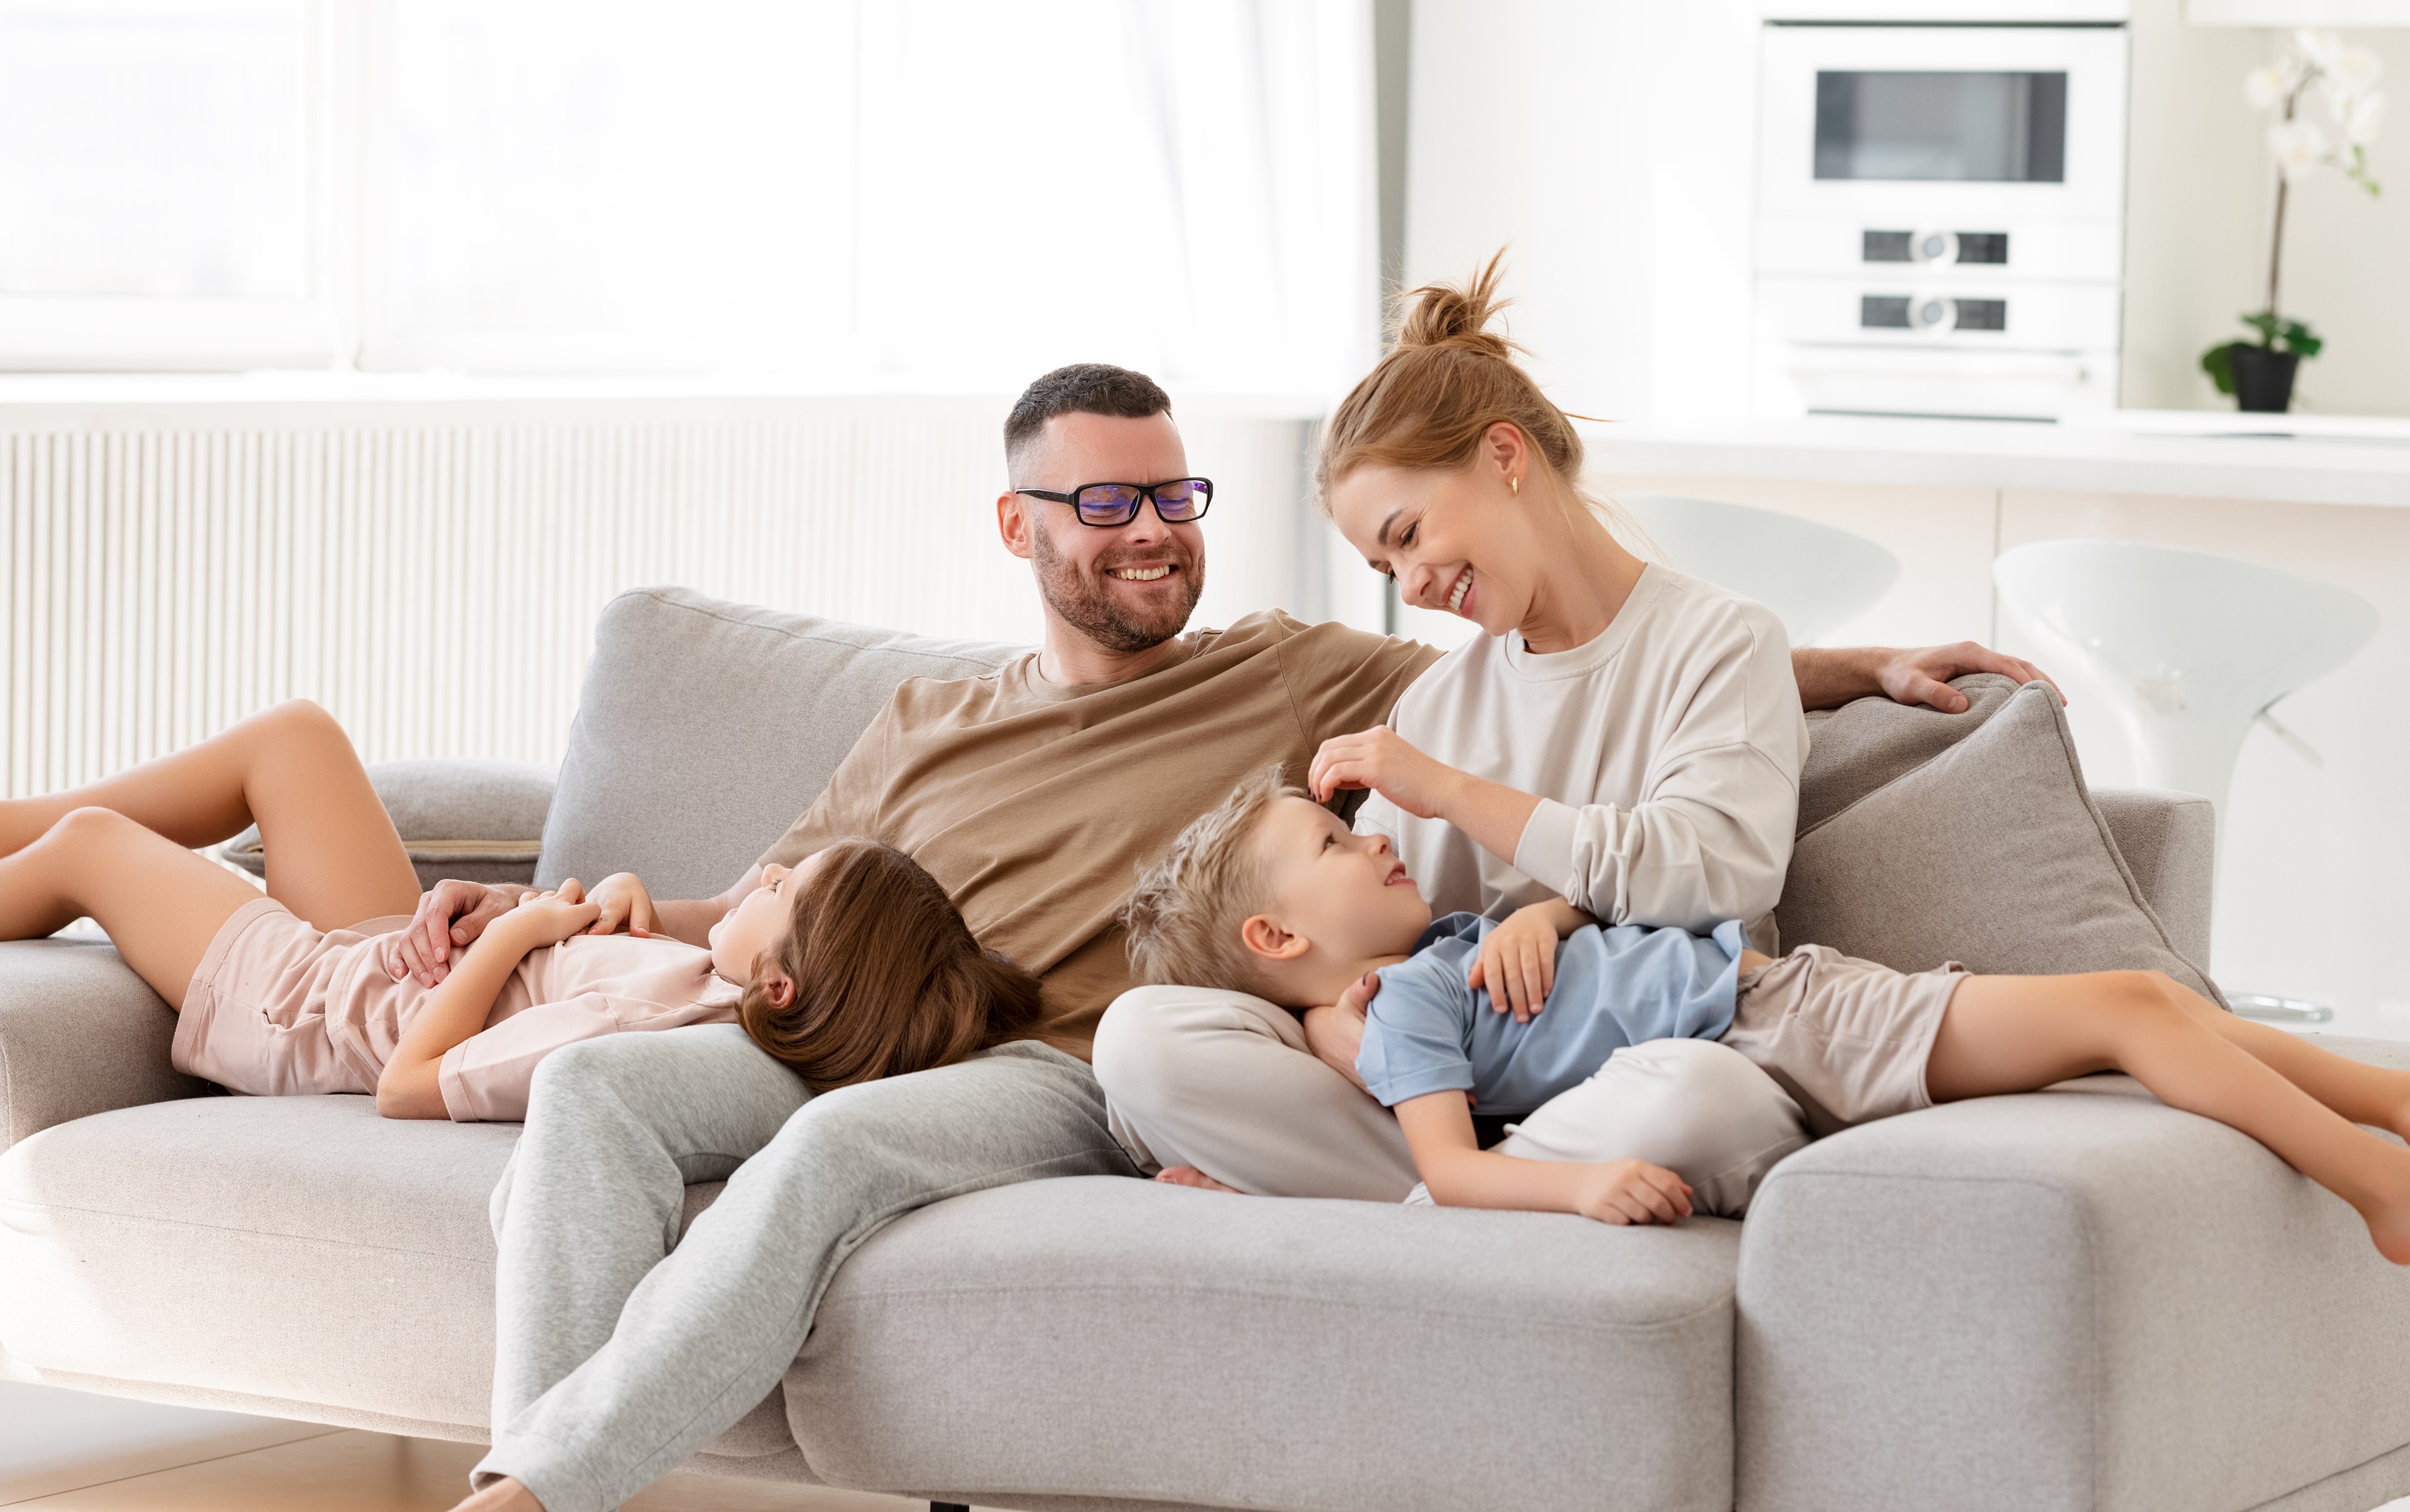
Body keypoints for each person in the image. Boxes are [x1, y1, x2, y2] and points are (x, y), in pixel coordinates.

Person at [416, 362, 2052, 1512]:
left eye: (1177, 494)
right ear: (1020, 527)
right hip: (823, 1015)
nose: (1157, 530)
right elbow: (763, 893)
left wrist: (1856, 667)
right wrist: (593, 904)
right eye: (1111, 498)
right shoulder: (920, 718)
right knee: (595, 1099)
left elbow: (1574, 657)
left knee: (836, 1148)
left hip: (1033, 1071)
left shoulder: (1281, 672)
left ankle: (540, 1487)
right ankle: (534, 1450)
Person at [1095, 254, 2050, 1213]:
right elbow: (1329, 939)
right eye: (1386, 566)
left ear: (1503, 457)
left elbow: (1718, 874)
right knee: (1142, 1040)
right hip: (1470, 1105)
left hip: (1654, 1069)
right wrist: (1317, 1027)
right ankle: (1476, 1192)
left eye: (1408, 533)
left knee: (1695, 1102)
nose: (1412, 583)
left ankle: (1424, 1203)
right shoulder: (1436, 709)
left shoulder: (1720, 643)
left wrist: (1513, 867)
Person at [1121, 767, 2410, 1260]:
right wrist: (1579, 1189)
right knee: (2128, 1014)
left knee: (2135, 1005)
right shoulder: (1396, 1007)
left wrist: (1545, 912)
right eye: (1333, 845)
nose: (1373, 838)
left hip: (1790, 998)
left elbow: (1583, 927)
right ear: (1277, 939)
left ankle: (2392, 1113)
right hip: (1775, 1032)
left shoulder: (1454, 942)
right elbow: (1448, 1173)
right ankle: (2376, 1185)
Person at [0, 705, 1036, 1123]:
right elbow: (593, 965)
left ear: (783, 986)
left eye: (782, 893)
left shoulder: (637, 1036)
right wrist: (611, 912)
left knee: (92, 844)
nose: (763, 877)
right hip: (384, 960)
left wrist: (511, 938)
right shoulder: (710, 986)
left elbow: (409, 1089)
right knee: (296, 739)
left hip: (311, 1006)